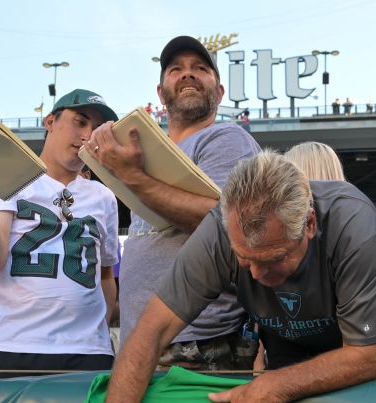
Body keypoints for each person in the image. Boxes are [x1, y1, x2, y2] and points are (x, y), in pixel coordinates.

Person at [85, 151, 376, 403]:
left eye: (273, 258)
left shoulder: (354, 223)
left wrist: (268, 387)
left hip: (369, 356)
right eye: (244, 258)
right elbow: (151, 331)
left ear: (309, 224)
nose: (256, 275)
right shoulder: (218, 231)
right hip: (288, 348)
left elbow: (367, 355)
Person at [90, 36, 261, 371]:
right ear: (160, 92)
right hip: (141, 344)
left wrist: (133, 176)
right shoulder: (147, 152)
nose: (187, 74)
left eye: (200, 68)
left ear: (220, 92)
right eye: (176, 69)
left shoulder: (226, 138)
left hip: (198, 342)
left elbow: (225, 224)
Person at [0, 89, 120, 375]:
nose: (87, 135)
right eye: (79, 121)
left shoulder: (103, 197)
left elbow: (104, 274)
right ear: (50, 121)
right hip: (13, 343)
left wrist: (98, 332)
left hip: (88, 350)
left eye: (95, 128)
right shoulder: (13, 179)